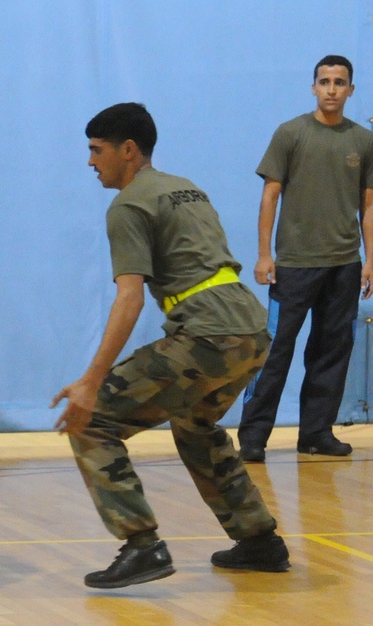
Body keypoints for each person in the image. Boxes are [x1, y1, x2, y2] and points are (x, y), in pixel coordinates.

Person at [52, 103, 289, 589]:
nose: (91, 162)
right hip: (251, 330)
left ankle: (142, 546)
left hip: (208, 334)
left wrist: (91, 382)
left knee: (93, 418)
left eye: (97, 151)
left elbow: (130, 297)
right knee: (195, 423)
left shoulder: (128, 204)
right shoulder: (187, 188)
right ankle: (259, 540)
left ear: (129, 150)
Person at [237, 55, 373, 462]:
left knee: (331, 350)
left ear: (351, 90)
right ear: (313, 87)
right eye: (324, 81)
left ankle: (317, 433)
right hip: (293, 266)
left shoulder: (363, 141)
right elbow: (270, 195)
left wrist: (369, 261)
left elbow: (369, 203)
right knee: (275, 351)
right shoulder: (290, 134)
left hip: (344, 266)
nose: (332, 89)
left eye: (340, 82)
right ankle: (252, 437)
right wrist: (264, 255)